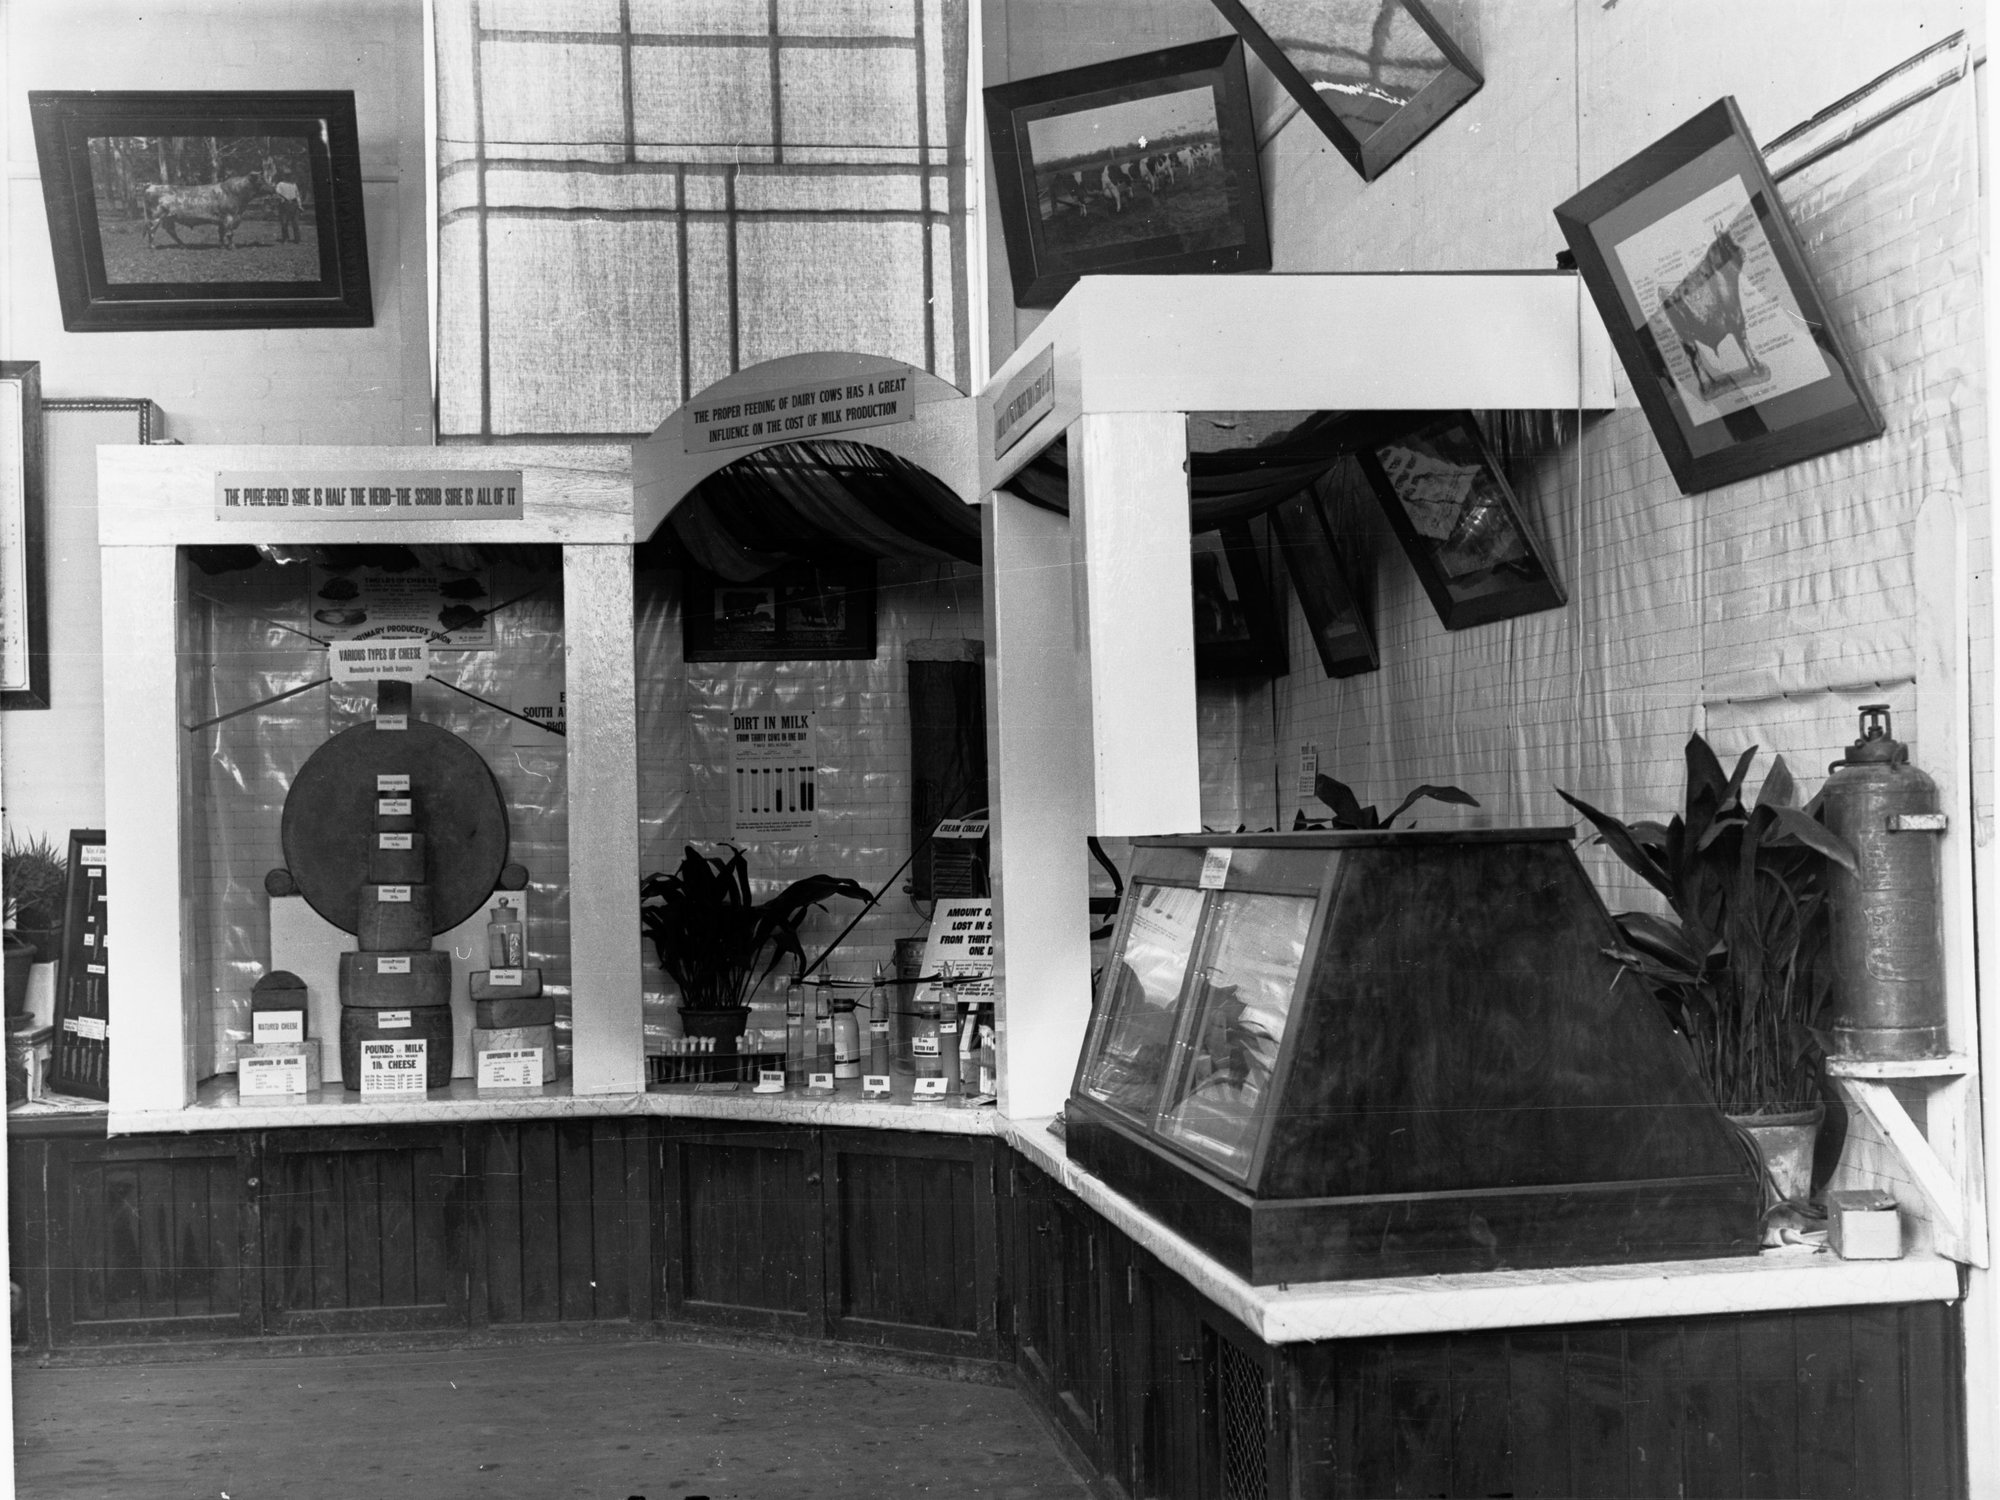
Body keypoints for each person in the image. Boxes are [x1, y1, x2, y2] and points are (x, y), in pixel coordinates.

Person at [274, 173, 301, 243]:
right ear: (284, 176)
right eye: (287, 175)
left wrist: (300, 205)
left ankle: (297, 239)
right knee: (284, 222)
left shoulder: (294, 184)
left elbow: (297, 195)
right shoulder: (280, 184)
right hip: (284, 204)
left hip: (294, 204)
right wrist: (281, 199)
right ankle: (286, 238)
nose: (289, 177)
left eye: (290, 175)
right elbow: (277, 193)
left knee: (295, 223)